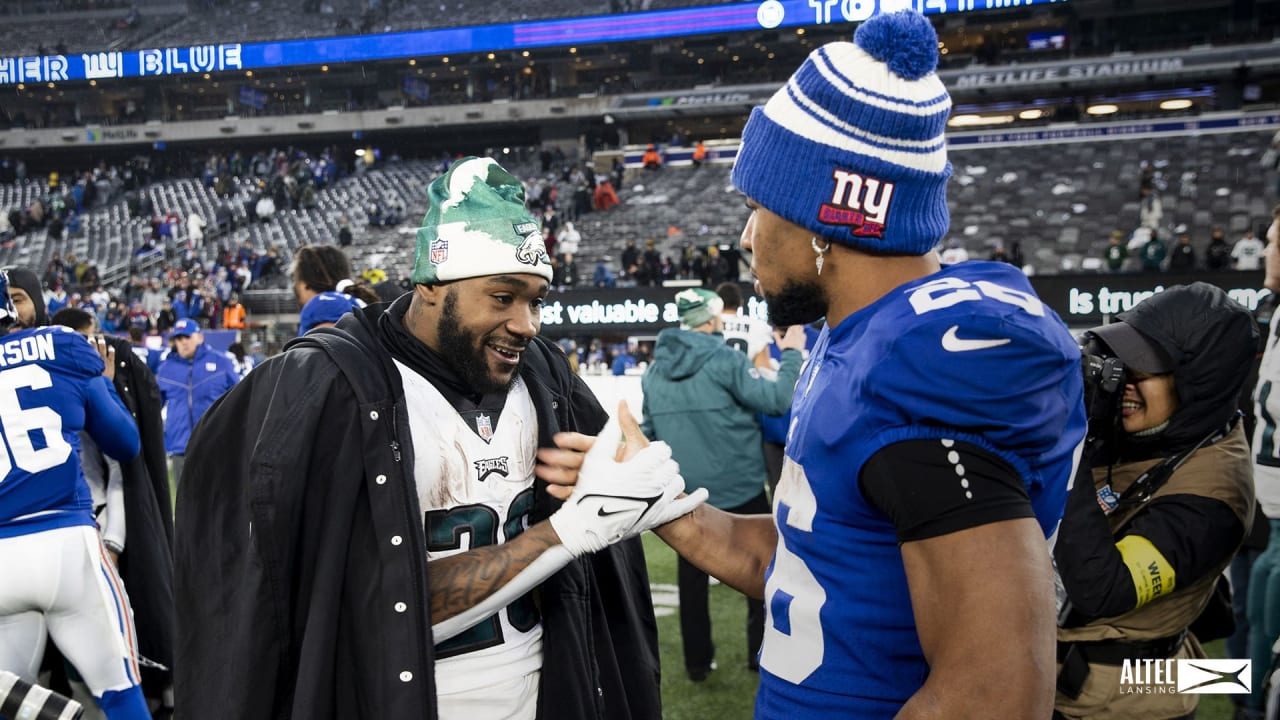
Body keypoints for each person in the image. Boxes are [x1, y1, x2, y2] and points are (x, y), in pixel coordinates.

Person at [597, 11, 1088, 717]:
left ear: (826, 218)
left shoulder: (928, 363)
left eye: (759, 207)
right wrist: (662, 503)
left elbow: (992, 696)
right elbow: (813, 566)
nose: (745, 236)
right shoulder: (857, 336)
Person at [172, 157, 701, 719]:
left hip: (542, 693)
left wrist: (643, 490)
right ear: (430, 285)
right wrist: (567, 532)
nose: (528, 323)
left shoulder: (546, 375)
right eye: (503, 297)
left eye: (536, 301)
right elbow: (361, 601)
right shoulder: (336, 385)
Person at [1056, 282, 1257, 719]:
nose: (1121, 385)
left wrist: (1073, 444)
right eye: (1118, 366)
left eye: (1141, 373)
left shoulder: (1214, 498)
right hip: (1092, 673)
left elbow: (1099, 590)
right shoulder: (1172, 424)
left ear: (1197, 385)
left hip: (1132, 690)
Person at [0, 270, 149, 720]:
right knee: (121, 696)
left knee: (11, 704)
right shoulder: (62, 344)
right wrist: (101, 382)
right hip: (68, 543)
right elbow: (125, 444)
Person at [641, 287, 805, 680]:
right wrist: (795, 353)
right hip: (741, 487)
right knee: (762, 568)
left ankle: (698, 664)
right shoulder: (727, 360)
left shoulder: (652, 372)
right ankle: (759, 655)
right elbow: (778, 399)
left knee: (692, 580)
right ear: (712, 319)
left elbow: (649, 431)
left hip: (684, 493)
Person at [1248, 206, 1280, 719]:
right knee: (1245, 622)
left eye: (1275, 242)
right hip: (1257, 506)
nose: (1266, 251)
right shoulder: (1273, 311)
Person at [155, 318, 238, 490]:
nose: (183, 342)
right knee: (184, 504)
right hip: (180, 447)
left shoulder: (221, 363)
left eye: (187, 337)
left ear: (199, 337)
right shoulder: (165, 370)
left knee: (218, 500)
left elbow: (239, 400)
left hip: (215, 444)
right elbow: (154, 407)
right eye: (178, 338)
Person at [291, 244, 379, 335]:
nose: (294, 285)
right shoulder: (347, 302)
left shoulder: (326, 304)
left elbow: (332, 345)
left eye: (295, 279)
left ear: (306, 283)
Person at [715, 281, 772, 369]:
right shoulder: (758, 326)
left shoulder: (708, 325)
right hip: (745, 380)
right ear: (741, 303)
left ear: (717, 302)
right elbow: (763, 369)